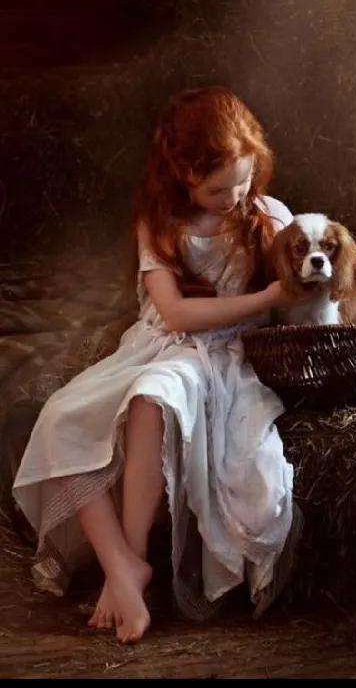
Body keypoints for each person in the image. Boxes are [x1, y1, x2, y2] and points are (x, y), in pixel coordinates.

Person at [13, 85, 304, 645]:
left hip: (222, 357)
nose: (235, 195)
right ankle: (121, 565)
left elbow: (307, 286)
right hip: (161, 342)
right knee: (60, 418)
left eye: (244, 179)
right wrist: (268, 298)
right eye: (218, 187)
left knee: (153, 397)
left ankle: (133, 561)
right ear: (182, 176)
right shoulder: (162, 222)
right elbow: (173, 314)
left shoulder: (267, 215)